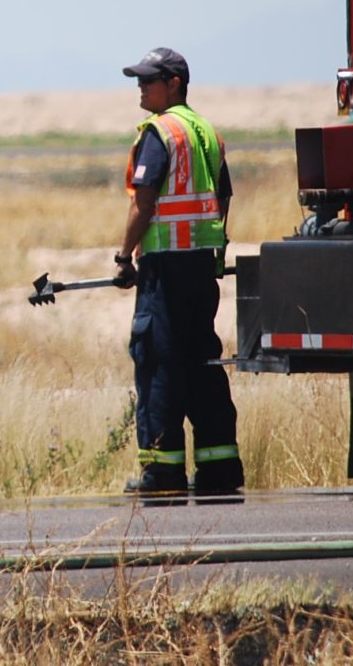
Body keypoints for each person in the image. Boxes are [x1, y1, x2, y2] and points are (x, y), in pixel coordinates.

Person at [114, 47, 245, 497]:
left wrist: (123, 257)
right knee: (203, 363)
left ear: (174, 84)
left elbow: (143, 201)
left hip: (165, 269)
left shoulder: (160, 132)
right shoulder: (206, 131)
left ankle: (162, 473)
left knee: (159, 366)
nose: (140, 87)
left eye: (148, 80)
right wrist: (211, 245)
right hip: (201, 269)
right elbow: (223, 196)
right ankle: (219, 469)